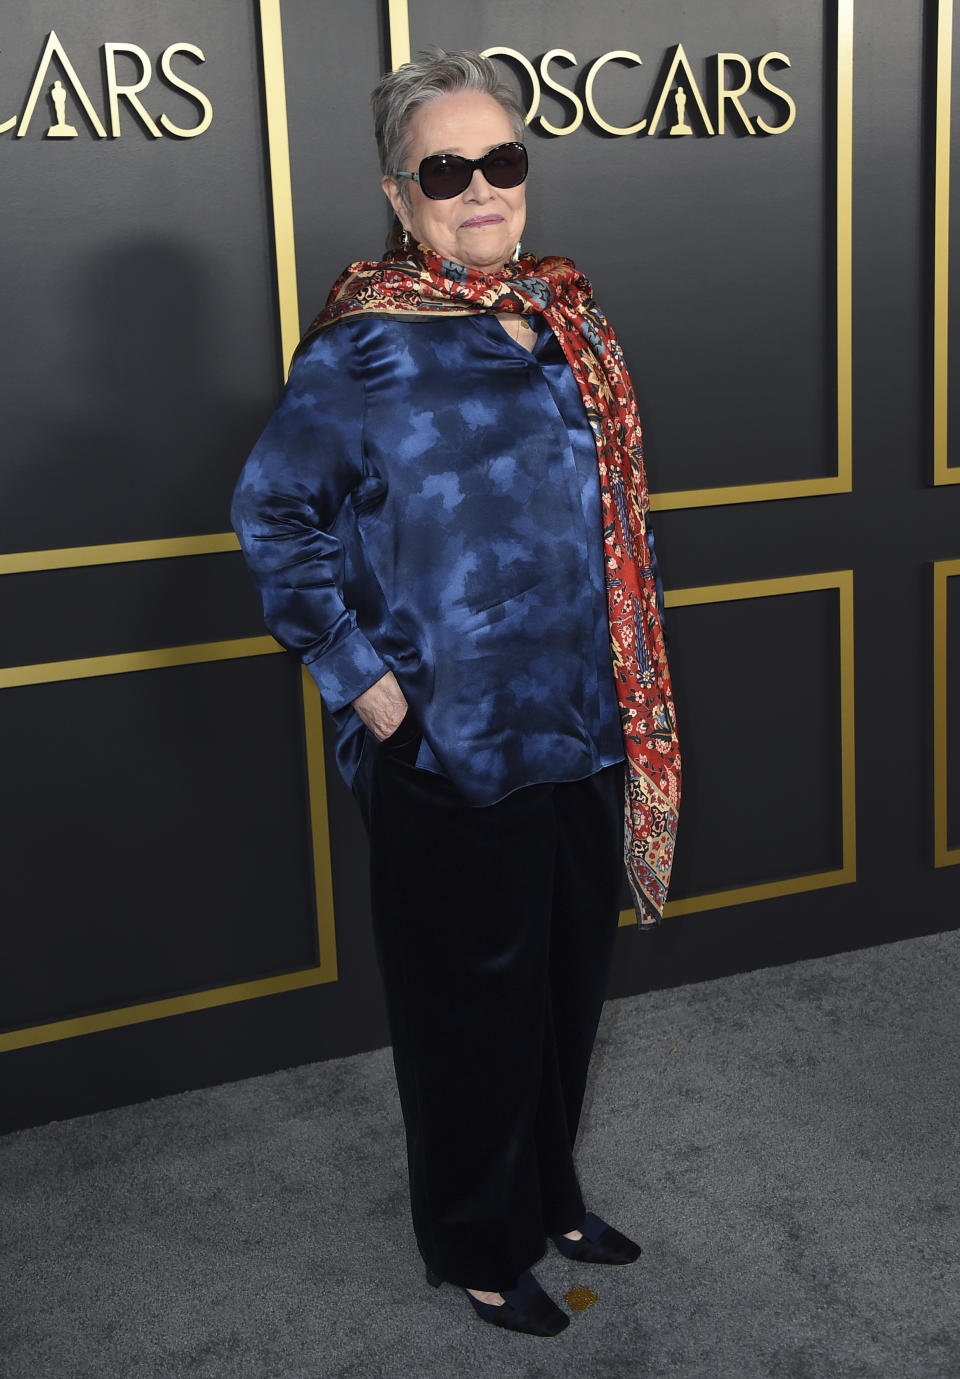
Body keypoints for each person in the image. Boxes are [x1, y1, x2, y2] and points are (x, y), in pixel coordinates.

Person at [232, 49, 681, 1338]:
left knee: (560, 993)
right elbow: (273, 518)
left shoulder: (566, 319)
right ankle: (475, 1240)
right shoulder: (364, 349)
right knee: (466, 1013)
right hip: (451, 745)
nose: (483, 189)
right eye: (450, 170)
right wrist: (364, 687)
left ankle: (546, 1193)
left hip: (588, 724)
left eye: (504, 161)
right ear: (400, 191)